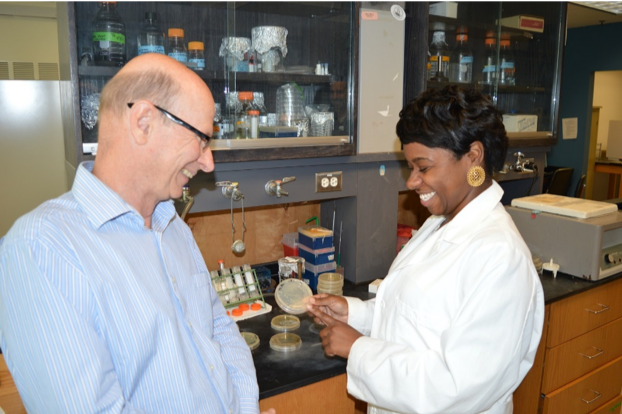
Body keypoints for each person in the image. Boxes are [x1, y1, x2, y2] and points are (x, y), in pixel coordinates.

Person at [0, 54, 275, 414]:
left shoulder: (172, 225)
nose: (208, 162)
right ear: (143, 121)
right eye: (201, 139)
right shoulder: (40, 249)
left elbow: (222, 331)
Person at [307, 85, 544, 414]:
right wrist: (354, 314)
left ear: (473, 156)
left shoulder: (500, 257)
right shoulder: (440, 223)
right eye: (410, 167)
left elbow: (456, 387)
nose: (412, 181)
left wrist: (358, 348)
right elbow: (417, 320)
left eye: (424, 167)